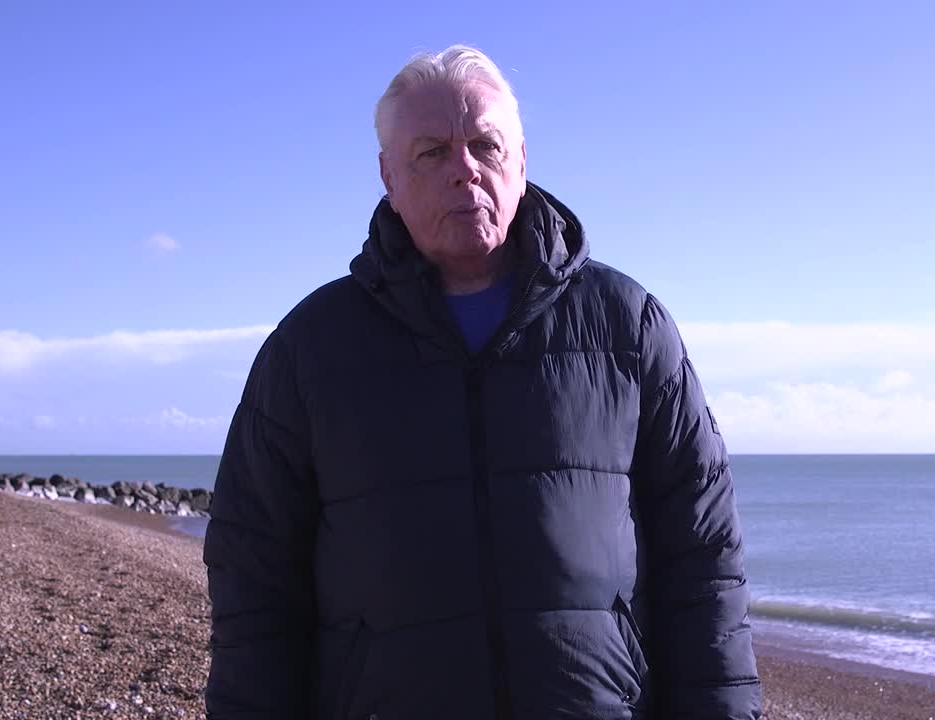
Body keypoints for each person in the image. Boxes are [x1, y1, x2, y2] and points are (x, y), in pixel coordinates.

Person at [203, 44, 761, 720]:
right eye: (431, 153)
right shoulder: (309, 350)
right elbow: (253, 578)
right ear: (388, 175)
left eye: (485, 146)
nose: (464, 170)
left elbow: (704, 554)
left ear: (521, 160)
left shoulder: (627, 327)